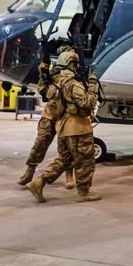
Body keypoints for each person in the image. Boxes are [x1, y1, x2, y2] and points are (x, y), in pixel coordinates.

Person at [26, 51, 101, 203]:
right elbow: (88, 102)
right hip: (78, 128)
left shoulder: (55, 84)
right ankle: (83, 192)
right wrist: (92, 85)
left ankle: (39, 182)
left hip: (62, 128)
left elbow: (44, 91)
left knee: (64, 159)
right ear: (72, 64)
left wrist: (43, 73)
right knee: (85, 161)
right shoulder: (73, 84)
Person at [17, 45, 75, 189]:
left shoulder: (75, 73)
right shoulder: (53, 72)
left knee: (67, 147)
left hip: (66, 114)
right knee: (41, 141)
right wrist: (43, 73)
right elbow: (42, 90)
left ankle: (69, 175)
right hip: (51, 112)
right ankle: (30, 171)